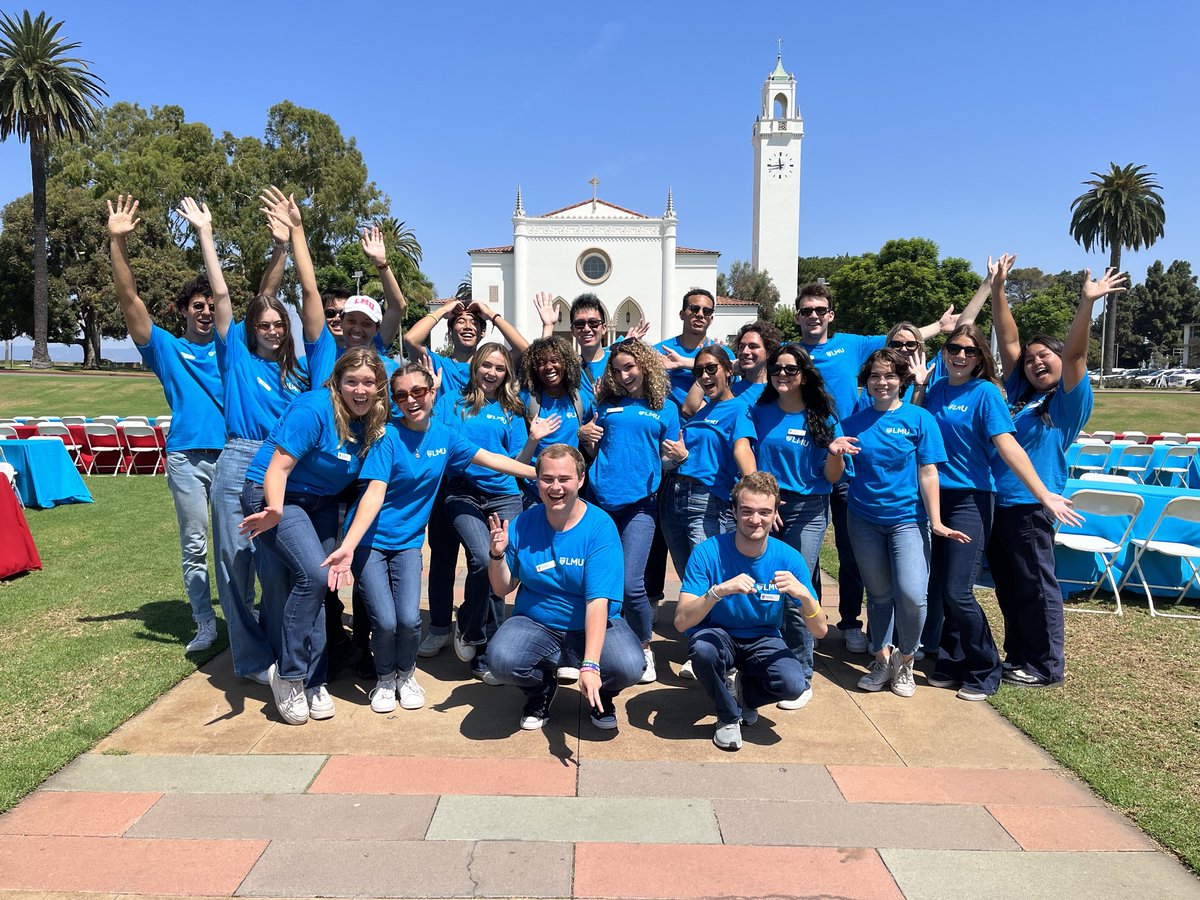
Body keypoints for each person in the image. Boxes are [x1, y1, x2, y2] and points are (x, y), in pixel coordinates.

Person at [319, 364, 535, 713]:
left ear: (431, 392)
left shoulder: (445, 435)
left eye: (417, 392)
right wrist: (347, 546)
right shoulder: (387, 436)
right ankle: (386, 678)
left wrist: (542, 473)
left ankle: (407, 674)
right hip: (370, 540)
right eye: (401, 395)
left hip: (407, 542)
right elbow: (374, 492)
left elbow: (493, 460)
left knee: (408, 620)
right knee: (385, 621)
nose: (410, 401)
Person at [175, 195, 309, 685]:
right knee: (234, 561)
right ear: (252, 330)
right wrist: (206, 234)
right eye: (264, 324)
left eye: (279, 324)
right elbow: (230, 298)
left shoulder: (299, 371)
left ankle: (279, 647)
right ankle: (251, 659)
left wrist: (287, 246)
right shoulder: (238, 357)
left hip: (282, 466)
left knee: (275, 567)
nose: (272, 329)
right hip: (236, 459)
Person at [794, 281, 957, 654]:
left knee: (853, 556)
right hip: (813, 461)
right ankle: (812, 623)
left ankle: (852, 624)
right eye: (807, 311)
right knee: (810, 552)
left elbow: (898, 344)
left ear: (830, 315)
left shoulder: (850, 344)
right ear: (798, 316)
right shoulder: (791, 354)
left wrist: (938, 326)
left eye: (821, 310)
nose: (814, 316)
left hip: (853, 458)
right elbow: (746, 364)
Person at [987, 258, 1127, 688]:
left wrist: (1087, 305)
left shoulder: (1067, 401)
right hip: (999, 503)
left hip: (1033, 504)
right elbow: (1008, 338)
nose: (1035, 363)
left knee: (1037, 586)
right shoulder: (1018, 394)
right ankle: (1021, 656)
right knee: (1009, 588)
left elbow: (1077, 352)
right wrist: (997, 289)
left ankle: (1047, 666)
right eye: (1030, 361)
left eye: (1043, 356)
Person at [921, 324, 1080, 700]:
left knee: (959, 590)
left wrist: (1045, 494)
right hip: (933, 498)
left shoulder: (987, 393)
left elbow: (1007, 445)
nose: (961, 355)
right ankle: (952, 659)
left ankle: (985, 666)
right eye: (954, 348)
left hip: (972, 499)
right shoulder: (934, 391)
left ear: (981, 358)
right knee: (942, 588)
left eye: (970, 351)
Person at [239, 349, 389, 725]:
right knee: (313, 574)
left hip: (319, 503)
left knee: (323, 586)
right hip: (275, 495)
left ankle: (315, 679)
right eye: (351, 381)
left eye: (368, 382)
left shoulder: (374, 419)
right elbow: (278, 467)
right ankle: (289, 676)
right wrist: (273, 508)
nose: (360, 389)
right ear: (336, 382)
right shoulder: (314, 409)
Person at [107, 194, 224, 653]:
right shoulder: (166, 349)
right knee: (195, 544)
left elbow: (261, 299)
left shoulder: (233, 345)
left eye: (209, 304)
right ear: (184, 312)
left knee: (238, 546)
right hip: (185, 458)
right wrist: (117, 243)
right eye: (196, 306)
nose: (205, 311)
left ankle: (243, 613)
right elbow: (128, 299)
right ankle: (204, 623)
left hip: (232, 455)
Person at [830, 349, 967, 698]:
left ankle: (906, 660)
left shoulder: (919, 419)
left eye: (890, 375)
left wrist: (935, 521)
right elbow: (835, 476)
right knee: (878, 596)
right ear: (867, 381)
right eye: (875, 376)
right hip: (864, 520)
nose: (882, 382)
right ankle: (882, 660)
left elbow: (929, 471)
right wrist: (833, 452)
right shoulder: (851, 424)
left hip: (908, 520)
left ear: (902, 380)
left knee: (911, 595)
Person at [485, 444, 645, 731]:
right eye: (547, 479)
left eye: (564, 479)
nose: (555, 487)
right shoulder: (523, 523)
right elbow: (501, 588)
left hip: (593, 623)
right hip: (537, 622)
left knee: (630, 666)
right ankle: (541, 690)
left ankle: (602, 695)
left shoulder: (599, 527)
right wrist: (496, 555)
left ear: (581, 480)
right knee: (500, 659)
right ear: (537, 480)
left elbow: (598, 602)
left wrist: (591, 665)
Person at [674, 472, 827, 751]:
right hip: (717, 632)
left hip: (763, 637)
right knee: (703, 650)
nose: (755, 520)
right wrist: (717, 592)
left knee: (794, 684)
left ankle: (746, 696)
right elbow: (681, 622)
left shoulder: (788, 557)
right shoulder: (708, 552)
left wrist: (805, 596)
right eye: (746, 511)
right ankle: (728, 716)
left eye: (764, 512)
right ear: (733, 511)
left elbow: (820, 630)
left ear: (775, 512)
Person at [581, 338, 680, 683]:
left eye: (630, 367)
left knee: (631, 583)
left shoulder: (665, 408)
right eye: (618, 369)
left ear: (645, 367)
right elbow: (592, 450)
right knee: (596, 579)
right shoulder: (604, 405)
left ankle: (644, 646)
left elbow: (667, 459)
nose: (624, 375)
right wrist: (584, 435)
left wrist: (678, 458)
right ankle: (596, 642)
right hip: (599, 502)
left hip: (641, 505)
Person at [440, 343, 540, 680]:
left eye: (499, 368)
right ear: (475, 367)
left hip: (504, 496)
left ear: (506, 374)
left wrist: (532, 442)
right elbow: (451, 453)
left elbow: (517, 464)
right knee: (482, 559)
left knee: (501, 568)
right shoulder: (453, 404)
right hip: (462, 493)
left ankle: (488, 648)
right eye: (486, 365)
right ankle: (472, 631)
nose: (492, 373)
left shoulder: (512, 411)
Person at [751, 344, 840, 709]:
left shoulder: (821, 416)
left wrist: (834, 453)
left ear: (804, 373)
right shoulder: (759, 411)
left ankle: (802, 674)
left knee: (794, 590)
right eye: (777, 369)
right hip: (764, 507)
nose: (783, 374)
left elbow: (831, 477)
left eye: (790, 368)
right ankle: (766, 662)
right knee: (759, 587)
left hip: (808, 509)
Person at [659, 345, 756, 579]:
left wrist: (755, 492)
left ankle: (713, 618)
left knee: (708, 577)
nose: (704, 376)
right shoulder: (702, 412)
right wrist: (676, 457)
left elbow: (742, 448)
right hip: (671, 498)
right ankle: (700, 617)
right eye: (699, 371)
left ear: (728, 371)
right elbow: (689, 405)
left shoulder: (739, 409)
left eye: (711, 369)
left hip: (706, 500)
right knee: (689, 578)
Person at [518, 336, 596, 498]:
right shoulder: (526, 399)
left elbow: (592, 444)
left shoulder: (578, 398)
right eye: (541, 363)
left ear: (566, 363)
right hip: (533, 491)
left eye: (554, 360)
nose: (548, 367)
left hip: (568, 490)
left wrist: (585, 434)